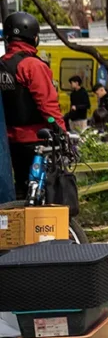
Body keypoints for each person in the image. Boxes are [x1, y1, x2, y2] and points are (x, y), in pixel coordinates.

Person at [0, 12, 66, 198]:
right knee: (43, 192)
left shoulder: (2, 65)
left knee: (19, 189)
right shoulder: (32, 66)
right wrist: (61, 132)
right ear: (34, 38)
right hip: (36, 140)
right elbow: (48, 104)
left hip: (8, 142)